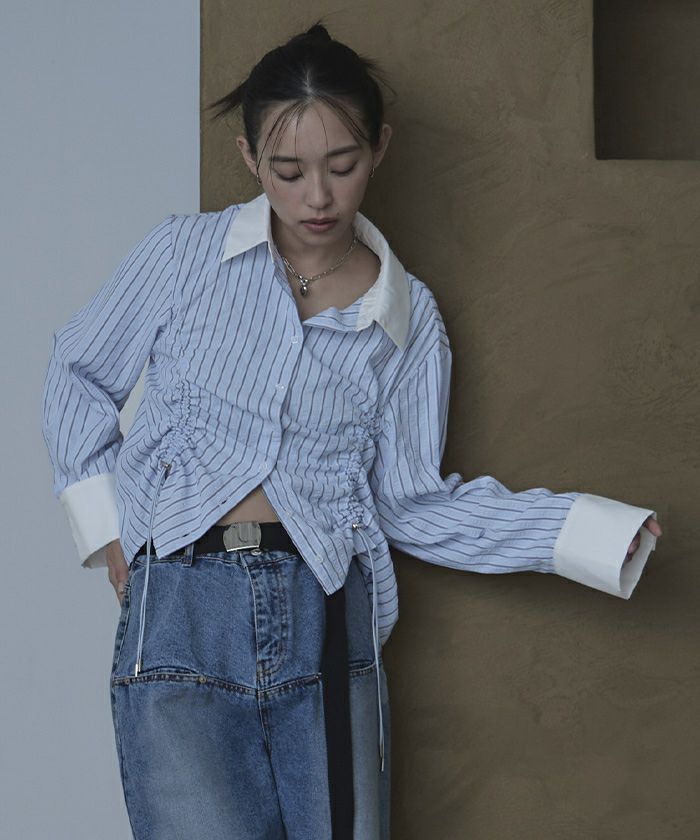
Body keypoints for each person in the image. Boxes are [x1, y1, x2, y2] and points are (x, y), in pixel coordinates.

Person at [41, 20, 663, 840]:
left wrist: (591, 533)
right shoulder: (183, 256)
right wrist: (109, 533)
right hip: (180, 606)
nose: (317, 197)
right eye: (288, 171)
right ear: (249, 157)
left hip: (326, 610)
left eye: (342, 166)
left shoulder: (407, 320)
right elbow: (77, 372)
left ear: (379, 149)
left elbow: (413, 502)